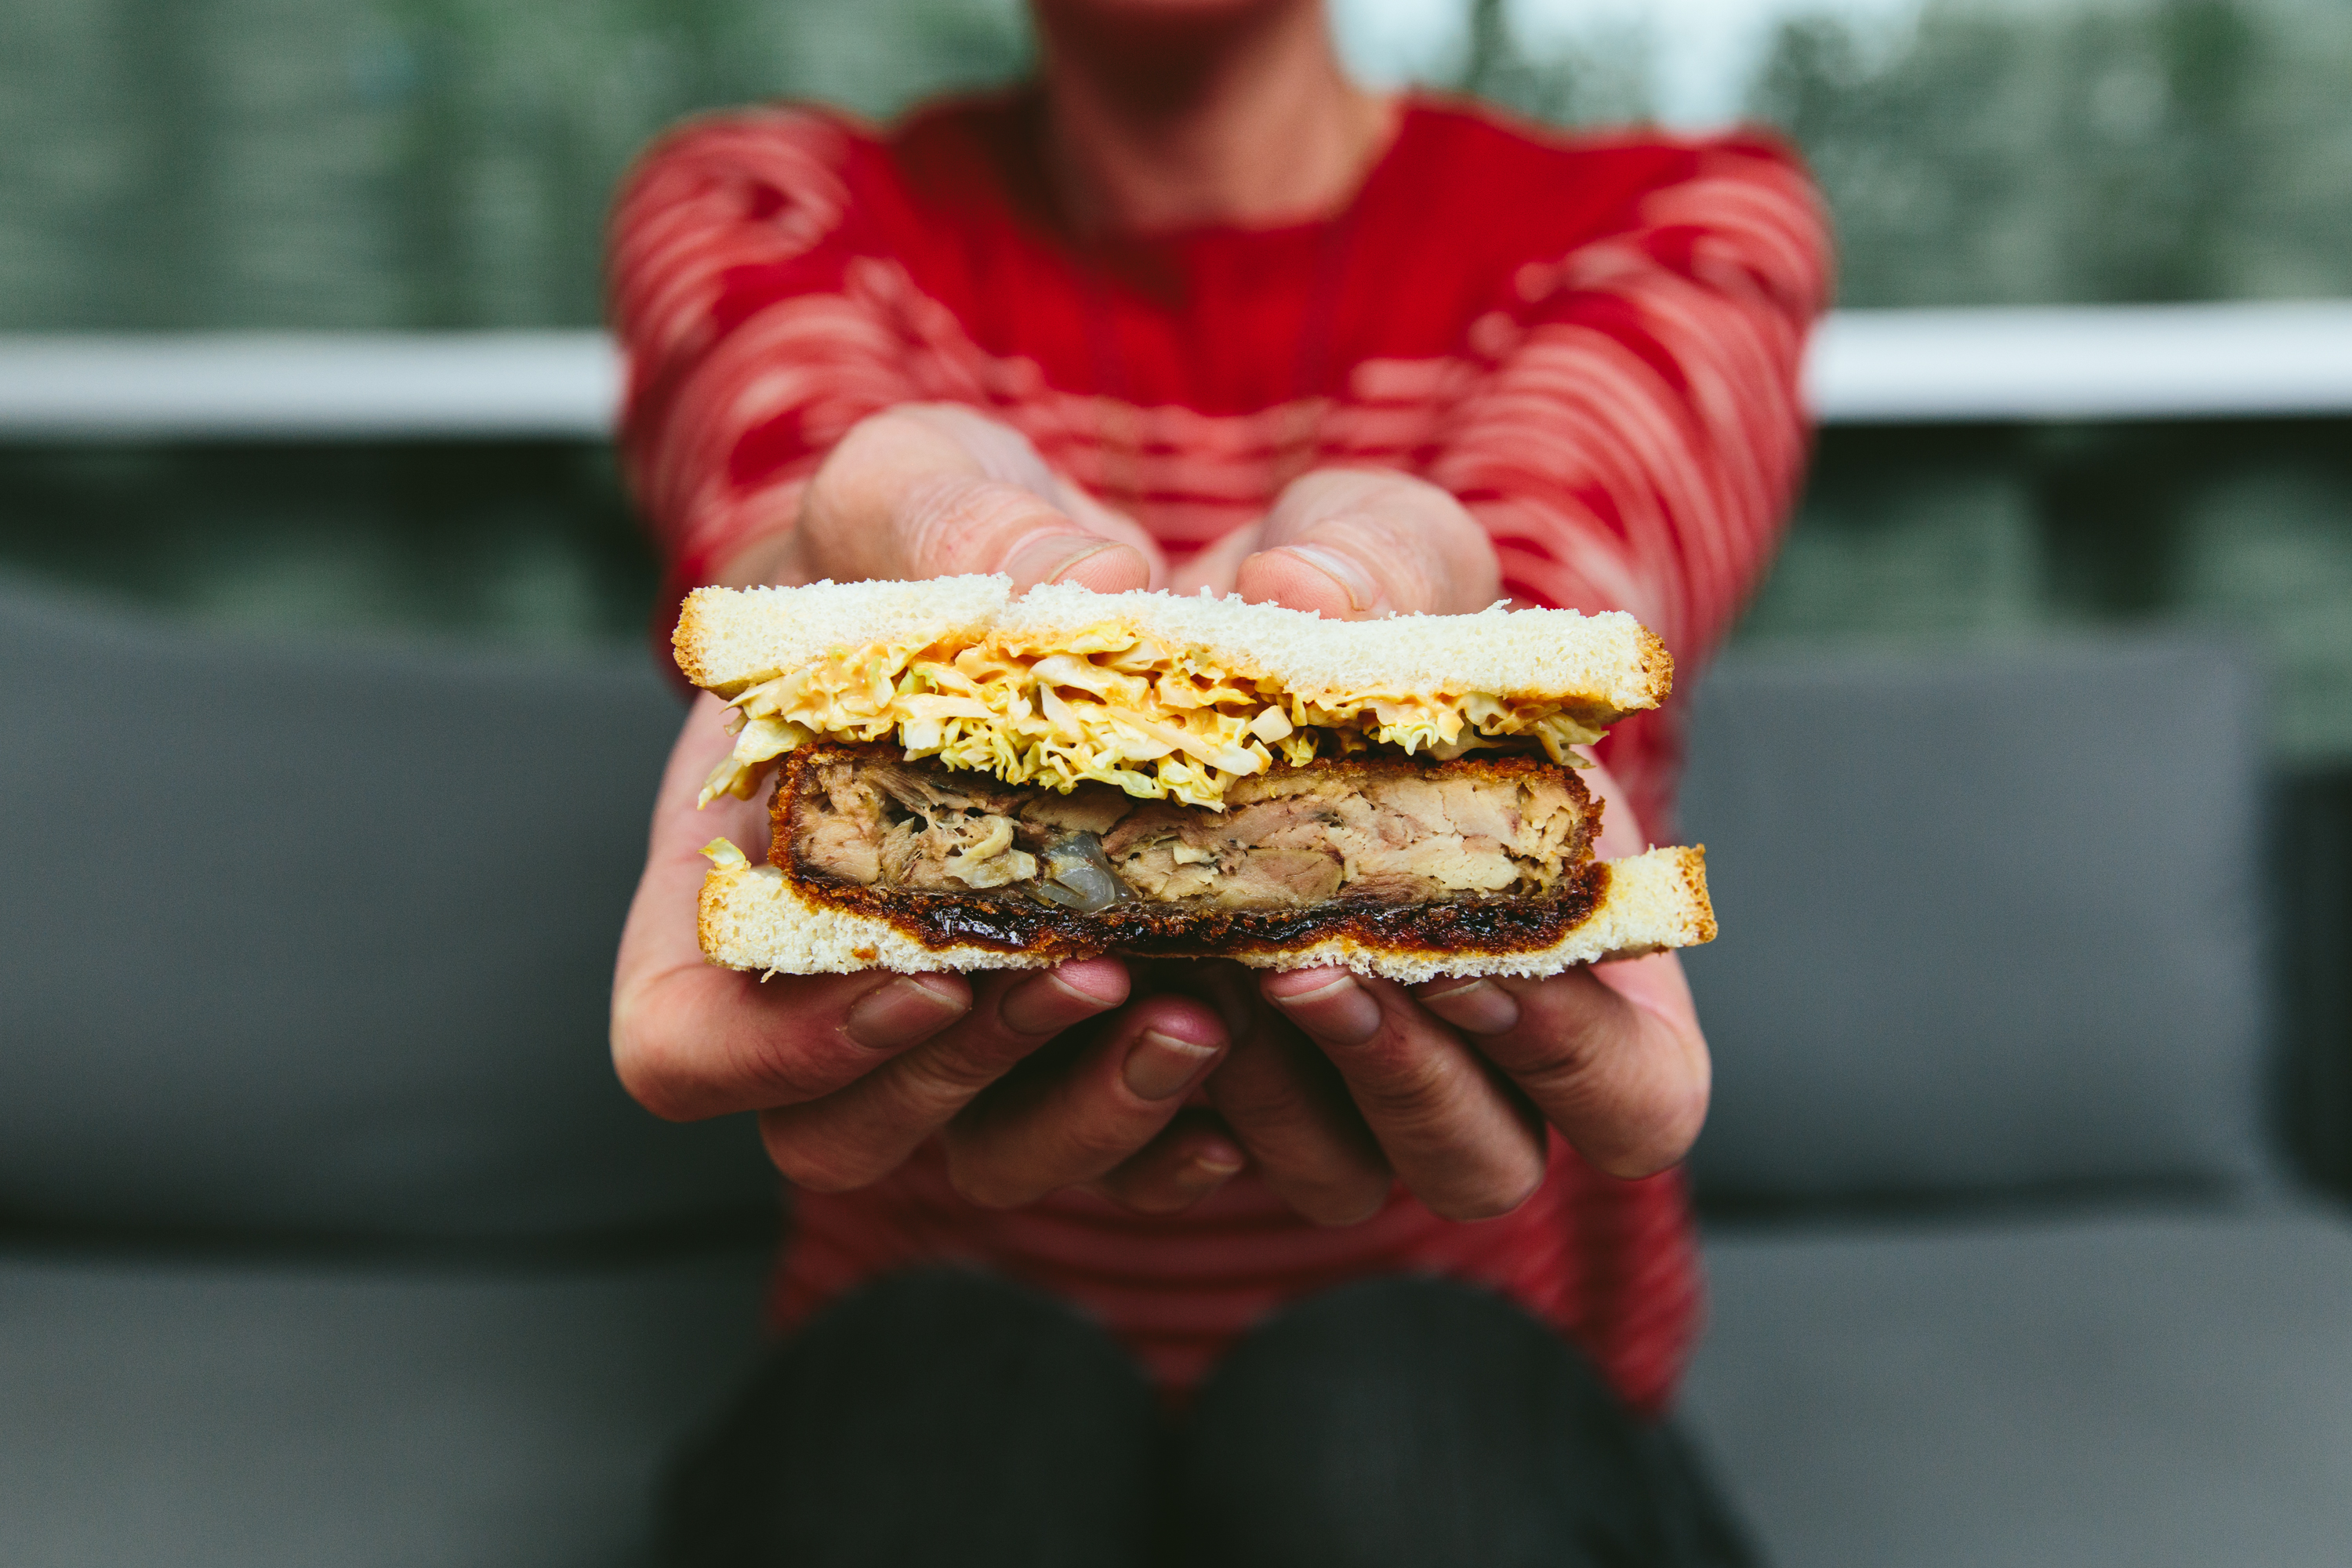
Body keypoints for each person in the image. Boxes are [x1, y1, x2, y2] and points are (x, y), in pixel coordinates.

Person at [606, 0, 1827, 1561]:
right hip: (932, 1337)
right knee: (943, 1406)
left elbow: (1566, 562)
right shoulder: (764, 204)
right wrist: (844, 555)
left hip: (1482, 1364)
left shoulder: (1683, 217)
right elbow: (784, 502)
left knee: (1392, 1415)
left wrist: (1410, 593)